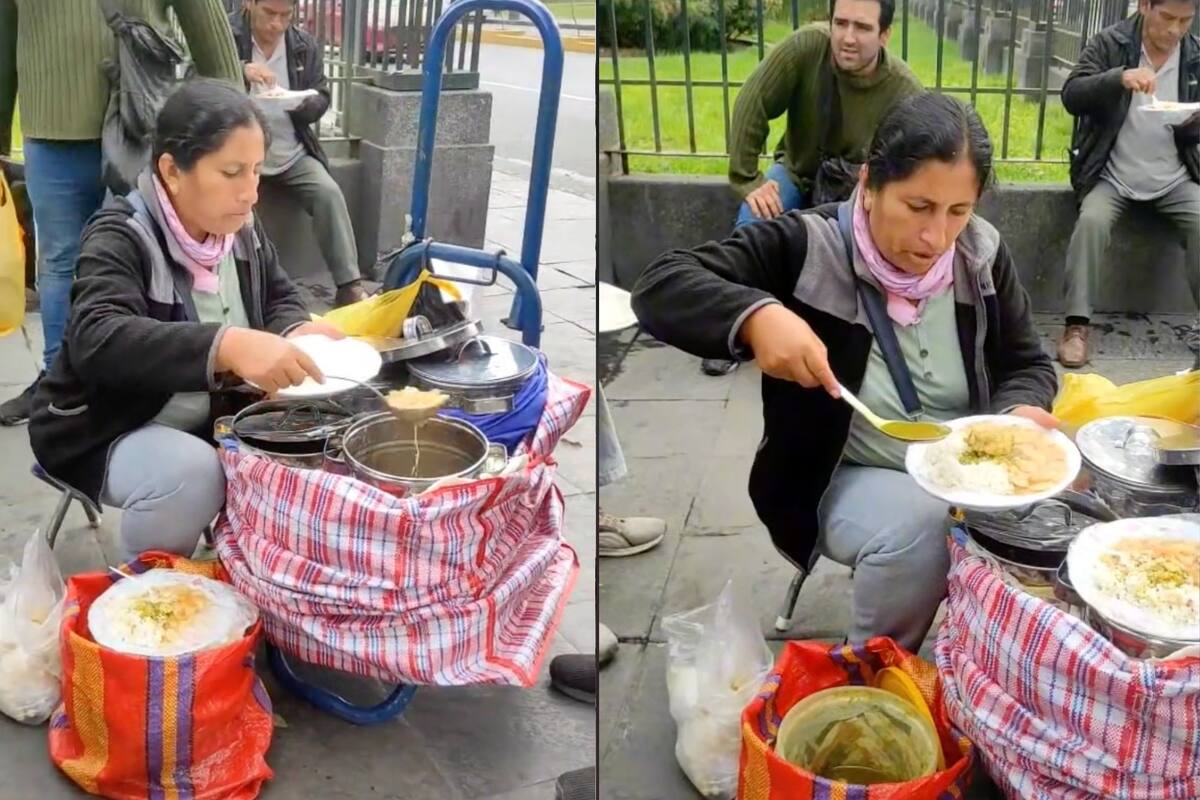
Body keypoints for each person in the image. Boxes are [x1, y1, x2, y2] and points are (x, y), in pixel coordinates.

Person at [632, 93, 1058, 652]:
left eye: (958, 211)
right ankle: (873, 674)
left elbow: (1027, 362)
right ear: (870, 184)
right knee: (923, 527)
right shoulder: (807, 246)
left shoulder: (979, 255)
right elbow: (661, 284)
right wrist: (757, 316)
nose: (936, 238)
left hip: (968, 472)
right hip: (839, 475)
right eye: (918, 206)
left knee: (1071, 518)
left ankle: (988, 667)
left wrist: (1015, 416)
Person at [28, 79, 342, 562]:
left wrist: (292, 332)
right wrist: (227, 346)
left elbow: (278, 294)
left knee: (320, 435)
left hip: (206, 417)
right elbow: (97, 336)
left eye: (256, 172)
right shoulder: (121, 235)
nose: (250, 194)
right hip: (106, 426)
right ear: (172, 171)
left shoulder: (239, 230)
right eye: (231, 173)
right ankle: (152, 589)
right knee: (194, 474)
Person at [0, 0, 245, 426]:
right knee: (60, 261)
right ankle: (61, 391)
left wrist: (235, 116)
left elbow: (202, 15)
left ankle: (147, 386)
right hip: (52, 124)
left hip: (140, 113)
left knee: (153, 250)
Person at [702, 0, 922, 376]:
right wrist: (747, 178)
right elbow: (753, 100)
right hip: (797, 169)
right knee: (754, 222)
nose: (847, 37)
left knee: (861, 255)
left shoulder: (905, 91)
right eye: (841, 23)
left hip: (857, 191)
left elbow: (917, 164)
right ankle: (731, 330)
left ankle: (860, 343)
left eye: (862, 28)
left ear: (885, 35)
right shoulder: (805, 49)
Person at [1057, 0, 1200, 367]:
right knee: (1091, 222)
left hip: (1174, 177)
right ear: (1145, 5)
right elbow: (1072, 95)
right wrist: (1118, 78)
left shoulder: (1194, 55)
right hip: (1113, 175)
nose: (1175, 30)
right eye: (1167, 17)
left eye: (1185, 20)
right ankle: (1076, 326)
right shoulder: (1111, 43)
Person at [229, 0, 369, 307]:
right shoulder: (228, 36)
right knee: (236, 210)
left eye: (286, 15)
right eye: (269, 13)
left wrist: (305, 103)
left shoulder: (303, 45)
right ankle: (243, 292)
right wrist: (240, 71)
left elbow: (322, 94)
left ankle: (349, 285)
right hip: (239, 154)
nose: (277, 24)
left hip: (291, 151)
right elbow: (197, 81)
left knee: (328, 193)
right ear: (250, 4)